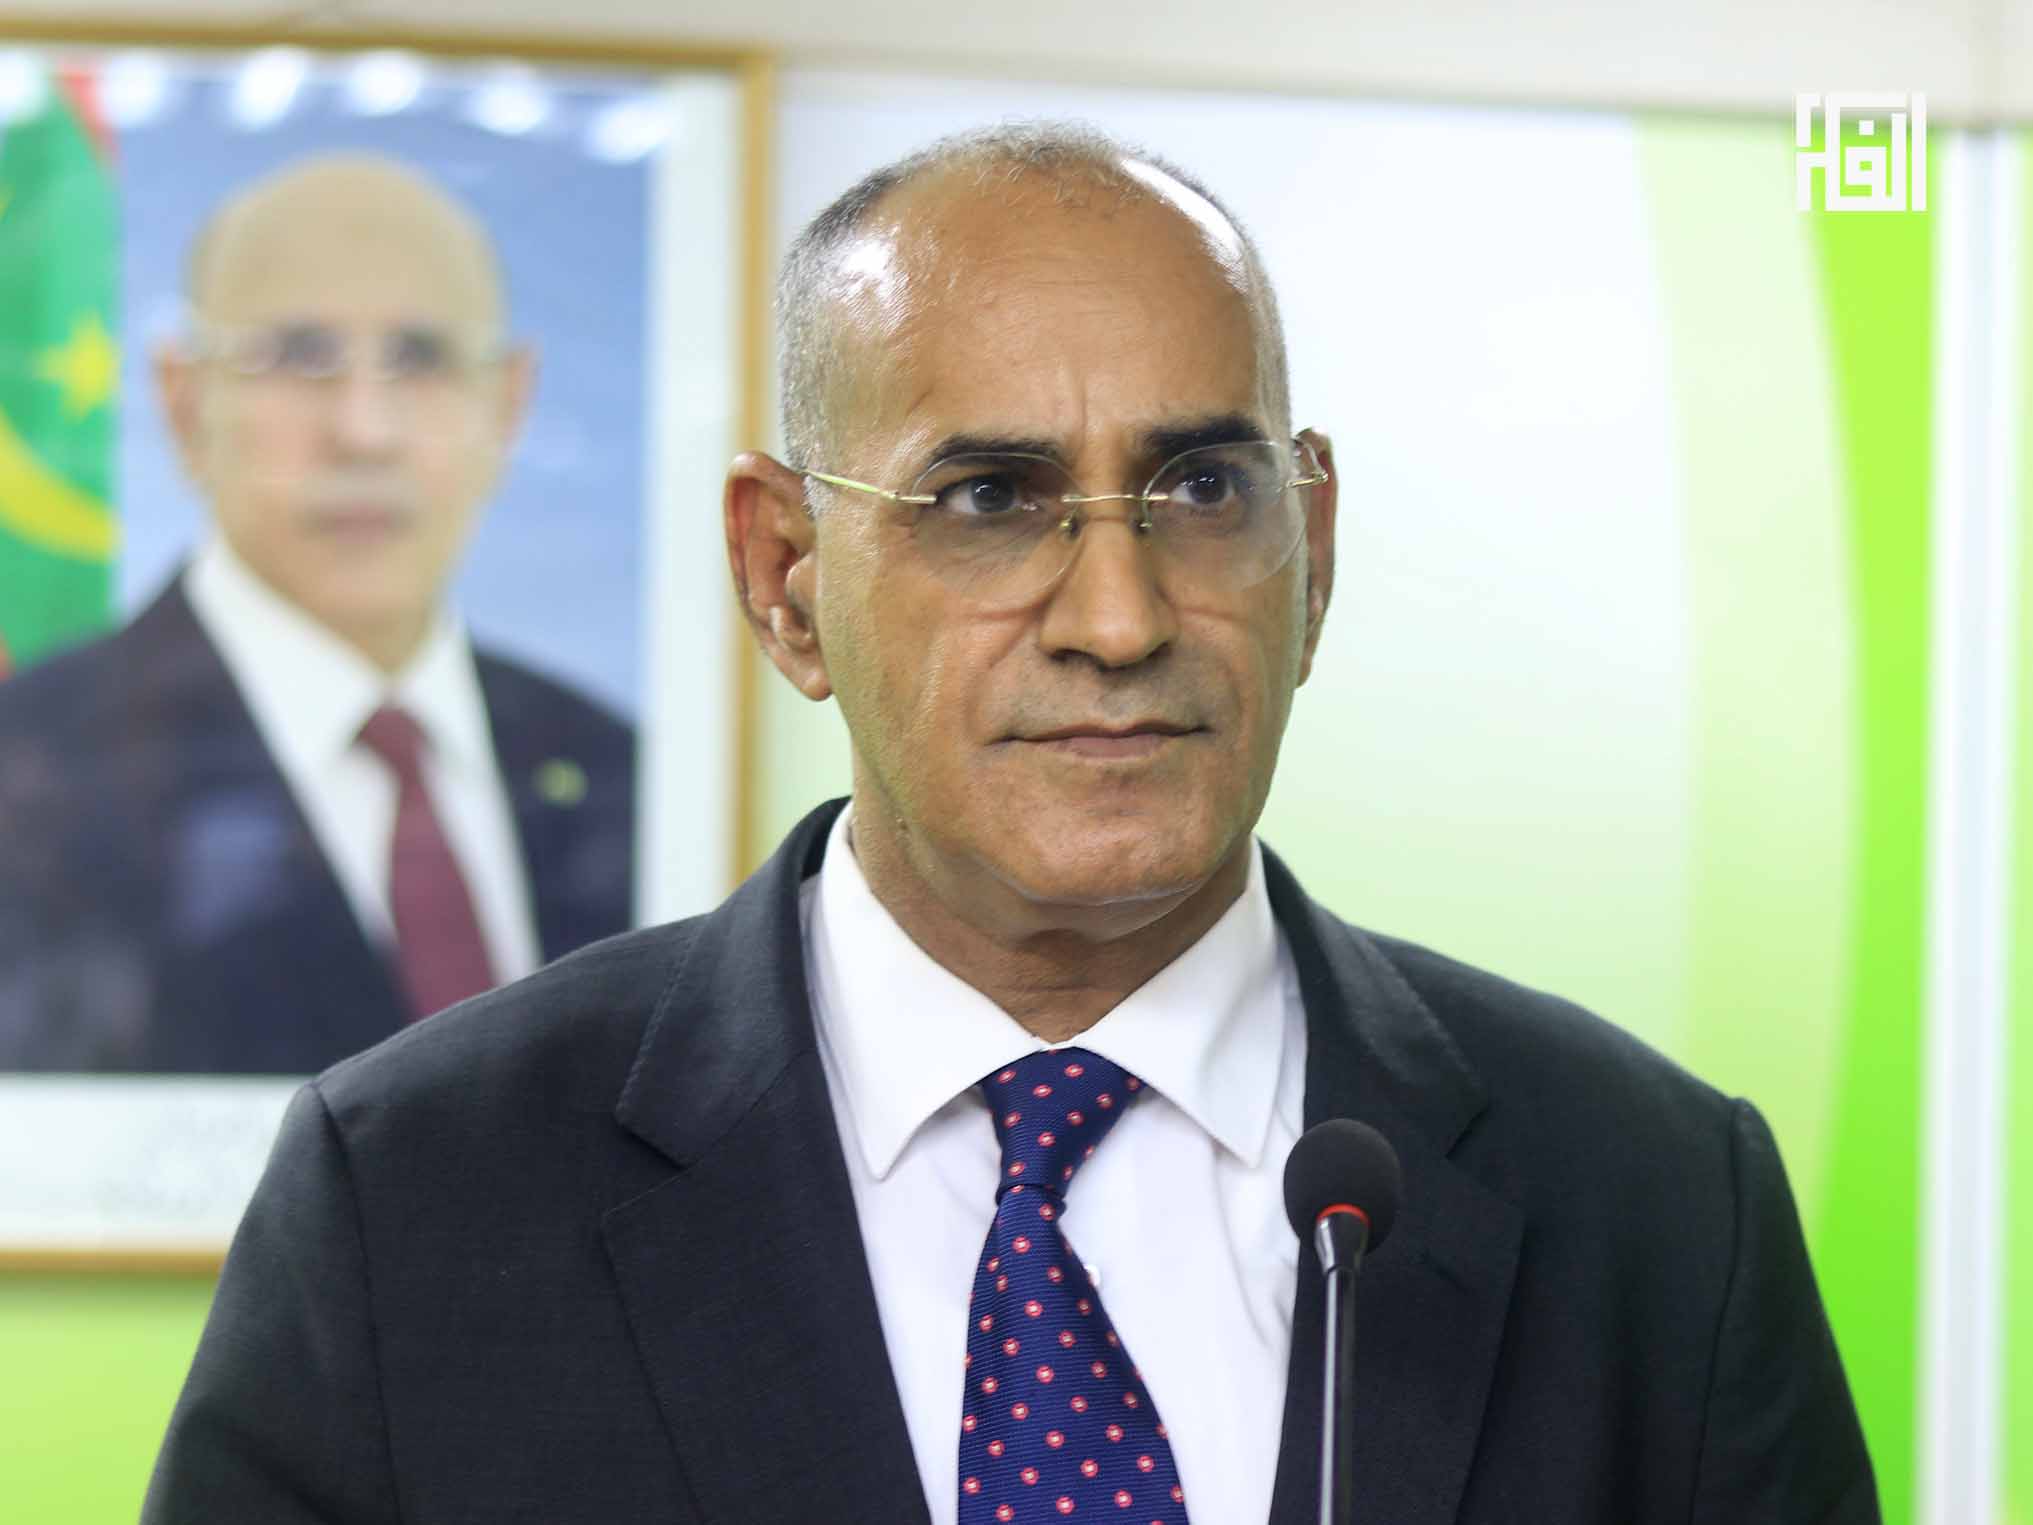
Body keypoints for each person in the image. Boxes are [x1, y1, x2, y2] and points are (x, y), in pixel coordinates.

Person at [143, 124, 1876, 1523]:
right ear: (785, 577)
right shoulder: (416, 1199)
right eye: (987, 498)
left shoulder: (1657, 1210)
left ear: (1315, 552)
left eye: (1203, 488)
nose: (1116, 617)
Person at [0, 155, 634, 1075]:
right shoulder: (30, 774)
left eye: (421, 357)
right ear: (183, 402)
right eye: (299, 355)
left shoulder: (614, 769)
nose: (364, 431)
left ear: (507, 403)